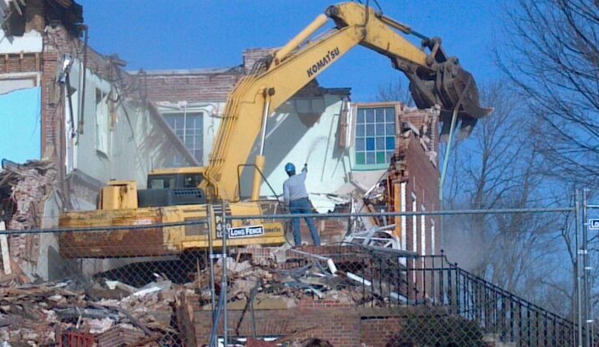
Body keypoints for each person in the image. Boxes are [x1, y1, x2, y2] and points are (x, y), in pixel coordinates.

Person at [282, 162, 321, 247]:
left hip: (293, 204)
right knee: (311, 223)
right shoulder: (300, 177)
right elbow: (304, 172)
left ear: (287, 172)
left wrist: (286, 207)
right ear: (294, 170)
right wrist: (305, 167)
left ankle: (298, 245)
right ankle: (317, 244)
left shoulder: (286, 183)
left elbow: (286, 197)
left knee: (296, 225)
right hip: (304, 202)